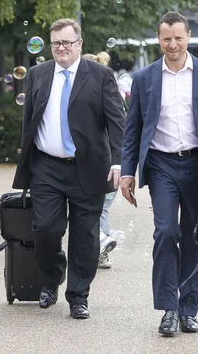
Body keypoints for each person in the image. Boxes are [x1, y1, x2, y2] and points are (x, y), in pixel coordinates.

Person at [120, 11, 198, 336]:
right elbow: (133, 129)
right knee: (166, 232)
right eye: (166, 38)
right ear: (159, 38)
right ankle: (168, 308)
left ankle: (188, 309)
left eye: (178, 38)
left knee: (195, 237)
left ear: (188, 36)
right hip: (161, 165)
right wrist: (128, 172)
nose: (172, 44)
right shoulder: (144, 78)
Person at [12, 19, 125, 319]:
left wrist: (118, 161)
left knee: (86, 237)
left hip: (89, 167)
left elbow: (117, 122)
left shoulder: (101, 76)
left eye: (67, 42)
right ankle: (51, 279)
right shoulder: (37, 74)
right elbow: (29, 121)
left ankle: (78, 296)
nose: (61, 48)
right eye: (56, 43)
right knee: (46, 229)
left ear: (79, 44)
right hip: (46, 166)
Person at [82, 51, 119, 269]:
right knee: (101, 208)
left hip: (98, 162)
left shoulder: (92, 96)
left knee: (92, 208)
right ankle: (101, 247)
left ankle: (101, 242)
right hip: (109, 160)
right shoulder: (110, 90)